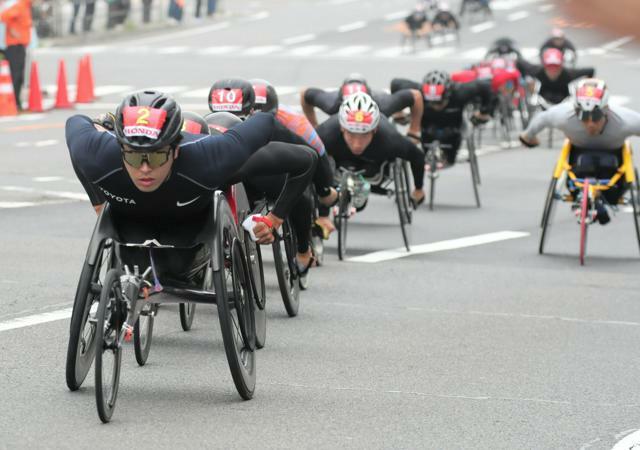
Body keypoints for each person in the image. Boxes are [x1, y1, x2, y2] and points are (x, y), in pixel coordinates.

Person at [67, 90, 317, 281]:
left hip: (189, 230)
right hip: (130, 224)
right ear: (120, 149)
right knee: (135, 271)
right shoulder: (97, 155)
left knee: (175, 271)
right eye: (133, 156)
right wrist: (98, 203)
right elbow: (75, 123)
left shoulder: (209, 160)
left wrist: (274, 219)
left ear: (176, 151)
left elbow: (304, 157)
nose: (145, 169)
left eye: (156, 156)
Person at [208, 78, 325, 274]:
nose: (230, 119)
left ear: (251, 111)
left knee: (300, 198)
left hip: (261, 174)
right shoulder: (209, 126)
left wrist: (325, 191)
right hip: (228, 173)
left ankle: (303, 249)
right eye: (221, 113)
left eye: (237, 115)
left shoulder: (269, 124)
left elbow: (312, 153)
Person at [520, 78, 640, 224]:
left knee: (611, 182)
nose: (590, 123)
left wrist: (528, 137)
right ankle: (584, 199)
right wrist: (528, 137)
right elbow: (542, 119)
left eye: (596, 116)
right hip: (578, 161)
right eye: (583, 116)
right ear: (575, 111)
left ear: (606, 110)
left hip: (614, 166)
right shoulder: (564, 116)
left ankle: (599, 200)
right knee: (580, 165)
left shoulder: (625, 121)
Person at [316, 93, 426, 219]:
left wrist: (418, 189)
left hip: (374, 165)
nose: (357, 144)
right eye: (351, 134)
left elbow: (417, 156)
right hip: (340, 163)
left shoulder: (390, 138)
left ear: (374, 130)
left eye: (364, 135)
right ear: (342, 128)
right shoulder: (327, 133)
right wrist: (323, 213)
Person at [251, 78, 338, 238]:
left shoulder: (294, 122)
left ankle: (304, 248)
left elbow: (319, 155)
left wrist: (324, 196)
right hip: (256, 160)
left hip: (297, 155)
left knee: (318, 186)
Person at [391, 70, 492, 166]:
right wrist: (398, 112)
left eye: (439, 102)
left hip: (453, 127)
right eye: (431, 102)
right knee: (423, 148)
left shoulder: (460, 92)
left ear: (448, 94)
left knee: (451, 155)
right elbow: (395, 83)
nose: (435, 106)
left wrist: (484, 112)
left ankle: (449, 156)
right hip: (427, 126)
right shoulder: (418, 91)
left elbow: (485, 86)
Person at [300, 74, 424, 141]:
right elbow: (304, 93)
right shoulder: (331, 103)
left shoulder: (383, 104)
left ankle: (398, 114)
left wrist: (414, 129)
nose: (357, 116)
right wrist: (313, 125)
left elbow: (416, 96)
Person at [519, 48, 595, 106]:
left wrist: (585, 88)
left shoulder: (569, 73)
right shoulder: (537, 71)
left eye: (556, 67)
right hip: (543, 101)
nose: (553, 71)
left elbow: (590, 71)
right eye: (549, 67)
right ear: (544, 66)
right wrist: (526, 80)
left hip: (564, 101)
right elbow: (520, 63)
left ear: (561, 67)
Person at [0, 0, 30, 110]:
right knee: (15, 76)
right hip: (15, 46)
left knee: (18, 76)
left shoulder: (24, 5)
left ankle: (15, 101)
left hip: (18, 45)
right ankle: (14, 102)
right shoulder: (20, 5)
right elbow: (4, 16)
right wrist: (12, 31)